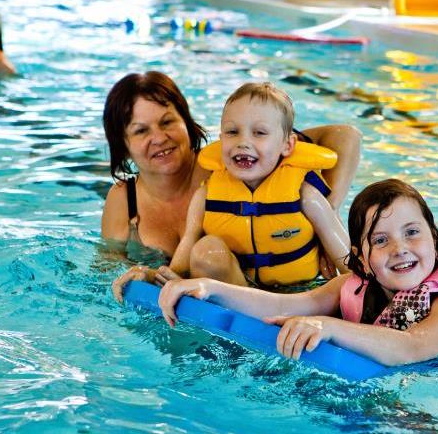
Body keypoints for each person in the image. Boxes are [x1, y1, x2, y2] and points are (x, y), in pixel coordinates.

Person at [151, 179, 438, 366]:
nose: (399, 248)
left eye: (412, 232)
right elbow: (282, 305)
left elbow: (412, 346)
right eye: (381, 240)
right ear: (361, 256)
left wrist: (328, 327)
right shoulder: (355, 286)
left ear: (435, 241)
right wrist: (207, 288)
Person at [105, 72, 361, 292]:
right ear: (123, 144)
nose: (159, 137)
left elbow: (346, 136)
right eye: (141, 130)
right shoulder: (124, 200)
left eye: (167, 121)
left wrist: (328, 213)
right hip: (222, 306)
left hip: (295, 293)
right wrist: (147, 276)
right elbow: (107, 272)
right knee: (208, 251)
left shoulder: (237, 165)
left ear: (186, 121)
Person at [164, 82, 350, 291]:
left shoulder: (305, 195)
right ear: (221, 139)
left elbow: (347, 263)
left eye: (260, 133)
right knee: (205, 251)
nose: (243, 142)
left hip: (298, 294)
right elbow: (186, 249)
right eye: (232, 131)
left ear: (287, 145)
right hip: (236, 290)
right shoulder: (205, 195)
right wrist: (169, 280)